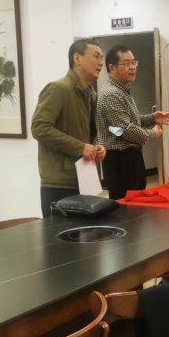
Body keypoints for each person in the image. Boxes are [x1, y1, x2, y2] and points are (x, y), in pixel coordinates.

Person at [31, 39, 106, 217]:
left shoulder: (91, 94)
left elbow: (88, 132)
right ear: (77, 58)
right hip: (59, 183)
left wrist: (97, 146)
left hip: (85, 178)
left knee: (88, 233)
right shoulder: (58, 89)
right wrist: (80, 147)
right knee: (61, 234)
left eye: (102, 58)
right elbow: (39, 127)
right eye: (96, 56)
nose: (101, 62)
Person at [95, 45, 169, 200]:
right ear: (112, 67)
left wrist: (153, 117)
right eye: (126, 63)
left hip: (129, 158)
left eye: (134, 62)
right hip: (119, 160)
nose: (132, 67)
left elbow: (131, 121)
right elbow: (125, 130)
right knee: (126, 205)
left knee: (137, 201)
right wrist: (153, 133)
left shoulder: (122, 89)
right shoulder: (112, 94)